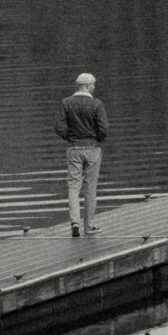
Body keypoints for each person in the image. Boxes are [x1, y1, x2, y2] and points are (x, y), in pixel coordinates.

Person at [53, 71, 108, 236]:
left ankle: (75, 222)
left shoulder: (66, 103)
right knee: (90, 188)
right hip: (92, 148)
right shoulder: (97, 104)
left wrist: (69, 137)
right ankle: (89, 225)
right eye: (93, 85)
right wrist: (97, 138)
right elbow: (104, 127)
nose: (94, 87)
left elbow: (58, 125)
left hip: (74, 149)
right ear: (88, 86)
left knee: (73, 187)